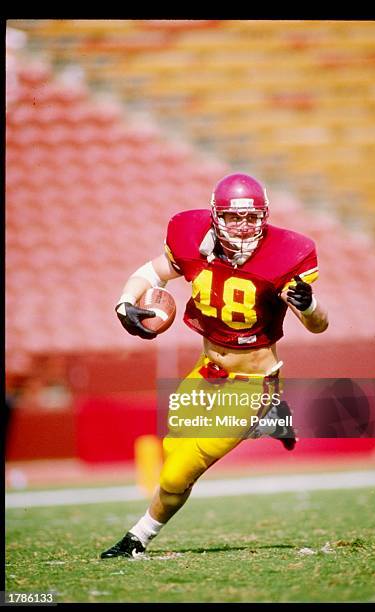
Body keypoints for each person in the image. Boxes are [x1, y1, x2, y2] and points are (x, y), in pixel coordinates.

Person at [100, 172, 328, 558]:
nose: (243, 226)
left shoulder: (287, 254)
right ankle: (273, 418)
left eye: (252, 216)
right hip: (208, 371)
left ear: (265, 216)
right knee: (173, 452)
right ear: (214, 215)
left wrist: (309, 305)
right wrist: (125, 301)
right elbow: (152, 272)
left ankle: (136, 539)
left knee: (178, 473)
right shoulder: (191, 238)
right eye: (233, 217)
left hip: (253, 381)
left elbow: (318, 326)